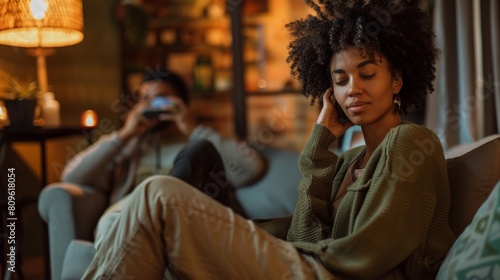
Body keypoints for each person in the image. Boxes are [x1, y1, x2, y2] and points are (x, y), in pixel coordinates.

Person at [82, 0, 456, 279]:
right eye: (340, 80)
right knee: (155, 203)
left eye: (368, 73)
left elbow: (373, 251)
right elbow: (302, 230)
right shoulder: (346, 162)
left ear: (397, 80)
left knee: (158, 194)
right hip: (312, 270)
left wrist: (282, 248)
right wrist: (320, 143)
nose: (352, 89)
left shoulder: (412, 142)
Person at [62, 68, 266, 238]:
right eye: (145, 99)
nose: (152, 105)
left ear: (182, 104)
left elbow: (249, 171)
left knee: (196, 154)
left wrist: (193, 129)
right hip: (130, 213)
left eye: (161, 99)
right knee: (110, 223)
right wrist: (124, 135)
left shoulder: (202, 142)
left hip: (184, 216)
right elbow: (72, 177)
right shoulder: (131, 146)